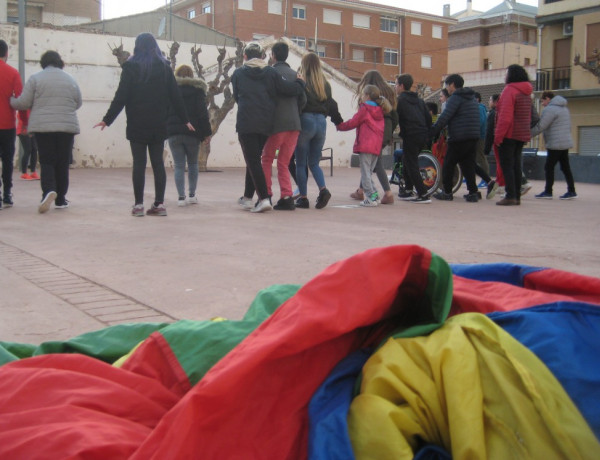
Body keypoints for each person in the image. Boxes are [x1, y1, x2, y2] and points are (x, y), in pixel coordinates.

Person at [95, 32, 193, 217]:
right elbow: (175, 96)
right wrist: (185, 119)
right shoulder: (165, 67)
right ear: (155, 46)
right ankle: (160, 204)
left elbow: (121, 96)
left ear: (137, 46)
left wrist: (107, 119)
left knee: (139, 163)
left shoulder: (130, 67)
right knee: (157, 163)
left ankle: (138, 205)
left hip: (136, 122)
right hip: (158, 123)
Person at [233, 42, 305, 213]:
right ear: (263, 57)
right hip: (266, 123)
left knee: (254, 160)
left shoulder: (237, 74)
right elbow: (288, 89)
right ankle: (248, 197)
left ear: (244, 56)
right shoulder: (271, 73)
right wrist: (301, 83)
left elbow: (237, 97)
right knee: (254, 159)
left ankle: (264, 198)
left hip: (246, 121)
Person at [11, 50, 81, 213]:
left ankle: (48, 190)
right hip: (66, 127)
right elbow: (78, 102)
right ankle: (61, 199)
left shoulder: (36, 78)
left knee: (47, 160)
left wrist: (11, 101)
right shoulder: (70, 79)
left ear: (43, 63)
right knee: (63, 162)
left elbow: (24, 102)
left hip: (43, 127)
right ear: (59, 62)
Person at [260, 41, 306, 211]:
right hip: (294, 124)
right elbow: (303, 100)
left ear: (273, 55)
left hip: (276, 123)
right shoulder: (296, 75)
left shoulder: (269, 74)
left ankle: (266, 194)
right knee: (284, 162)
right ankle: (287, 195)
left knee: (266, 158)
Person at [294, 53, 337, 210]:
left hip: (305, 120)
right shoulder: (324, 83)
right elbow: (330, 103)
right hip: (321, 122)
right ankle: (323, 190)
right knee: (314, 162)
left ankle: (303, 198)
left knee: (300, 163)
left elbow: (298, 100)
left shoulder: (301, 79)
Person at [337, 84, 391, 207]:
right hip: (376, 146)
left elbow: (353, 122)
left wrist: (340, 126)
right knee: (369, 172)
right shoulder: (380, 110)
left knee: (365, 172)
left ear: (367, 95)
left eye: (362, 94)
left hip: (366, 145)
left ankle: (371, 197)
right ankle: (374, 195)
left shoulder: (365, 109)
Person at [349, 70, 398, 205]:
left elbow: (360, 117)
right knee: (369, 164)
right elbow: (395, 116)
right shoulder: (388, 92)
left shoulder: (369, 96)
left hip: (374, 131)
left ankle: (387, 193)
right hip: (385, 129)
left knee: (374, 164)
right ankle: (362, 191)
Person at [167, 64, 212, 207]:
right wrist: (206, 133)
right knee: (193, 164)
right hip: (193, 133)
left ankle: (181, 197)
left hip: (174, 133)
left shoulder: (170, 90)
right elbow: (202, 114)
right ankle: (192, 195)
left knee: (179, 165)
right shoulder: (198, 91)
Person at [430, 74, 480, 202]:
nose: (446, 88)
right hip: (473, 136)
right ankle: (473, 192)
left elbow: (445, 117)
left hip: (459, 136)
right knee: (468, 164)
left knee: (448, 164)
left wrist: (433, 130)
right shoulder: (471, 98)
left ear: (452, 84)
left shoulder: (455, 98)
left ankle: (447, 192)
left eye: (446, 85)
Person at [494, 64, 533, 206]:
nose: (505, 77)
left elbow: (505, 116)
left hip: (509, 134)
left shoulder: (509, 90)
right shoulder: (527, 92)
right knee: (516, 165)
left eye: (506, 74)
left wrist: (498, 136)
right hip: (521, 134)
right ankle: (516, 195)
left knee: (507, 165)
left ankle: (510, 195)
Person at [394, 73, 433, 204]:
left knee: (411, 164)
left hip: (410, 135)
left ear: (401, 86)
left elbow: (395, 118)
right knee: (407, 159)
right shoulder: (420, 101)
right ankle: (408, 190)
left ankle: (423, 193)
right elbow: (428, 119)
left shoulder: (400, 101)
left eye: (396, 84)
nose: (395, 87)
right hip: (422, 135)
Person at [531, 91, 577, 200]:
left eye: (542, 101)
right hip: (564, 142)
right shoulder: (564, 108)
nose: (542, 104)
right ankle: (572, 190)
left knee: (549, 167)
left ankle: (548, 191)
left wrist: (527, 134)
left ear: (548, 99)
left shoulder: (550, 109)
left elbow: (542, 125)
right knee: (566, 167)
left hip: (555, 143)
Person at [0, 39, 28, 209]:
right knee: (7, 160)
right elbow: (21, 100)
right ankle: (7, 194)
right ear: (6, 53)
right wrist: (24, 121)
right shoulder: (12, 73)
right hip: (7, 124)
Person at [17, 111, 40, 181]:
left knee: (34, 149)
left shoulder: (33, 106)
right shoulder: (25, 106)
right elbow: (21, 116)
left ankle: (33, 171)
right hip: (23, 130)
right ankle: (24, 173)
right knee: (28, 150)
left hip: (32, 129)